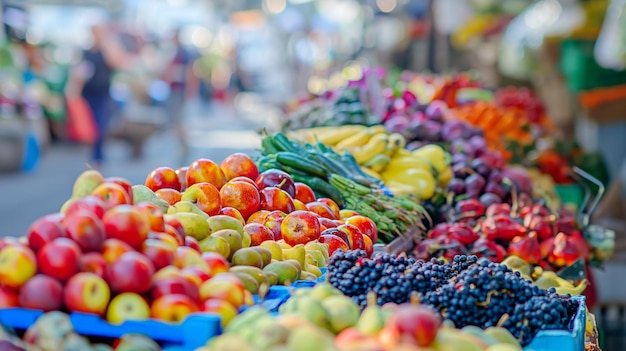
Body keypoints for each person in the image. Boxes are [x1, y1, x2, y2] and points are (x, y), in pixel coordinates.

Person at [68, 22, 131, 166]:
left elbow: (117, 62)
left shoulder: (106, 49)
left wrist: (108, 43)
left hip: (102, 94)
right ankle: (93, 154)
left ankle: (98, 156)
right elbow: (78, 72)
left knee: (100, 125)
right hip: (88, 93)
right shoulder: (86, 52)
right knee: (89, 125)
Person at [161, 29, 199, 155]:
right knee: (175, 119)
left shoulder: (183, 53)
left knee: (177, 119)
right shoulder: (175, 51)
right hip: (175, 90)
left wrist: (190, 90)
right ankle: (182, 142)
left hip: (179, 90)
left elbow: (189, 71)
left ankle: (184, 142)